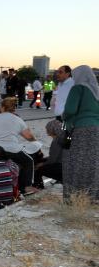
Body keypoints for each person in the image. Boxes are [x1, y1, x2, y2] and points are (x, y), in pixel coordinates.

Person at [0, 97, 39, 194]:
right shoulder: (17, 119)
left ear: (2, 107)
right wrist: (35, 141)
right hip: (12, 150)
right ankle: (26, 187)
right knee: (28, 161)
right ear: (13, 108)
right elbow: (28, 136)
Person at [62, 65, 99, 202]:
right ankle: (92, 195)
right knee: (92, 161)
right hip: (96, 130)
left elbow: (70, 110)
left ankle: (76, 195)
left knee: (76, 160)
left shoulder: (78, 88)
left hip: (81, 129)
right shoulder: (96, 90)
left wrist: (64, 115)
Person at [33, 119, 63, 188]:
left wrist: (41, 164)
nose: (46, 130)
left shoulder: (56, 141)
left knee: (38, 169)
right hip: (64, 164)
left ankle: (38, 186)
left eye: (47, 129)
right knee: (41, 161)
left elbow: (53, 160)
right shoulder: (62, 138)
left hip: (60, 166)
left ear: (52, 130)